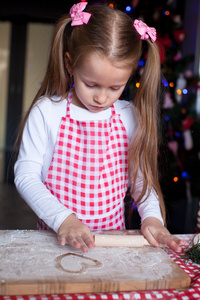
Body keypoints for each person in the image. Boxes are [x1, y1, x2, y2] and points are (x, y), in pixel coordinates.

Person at [14, 2, 184, 253]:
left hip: (111, 247)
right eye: (91, 84)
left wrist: (153, 219)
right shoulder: (48, 112)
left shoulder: (129, 116)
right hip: (56, 245)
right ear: (70, 64)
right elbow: (26, 176)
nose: (102, 98)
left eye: (115, 88)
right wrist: (64, 219)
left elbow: (141, 182)